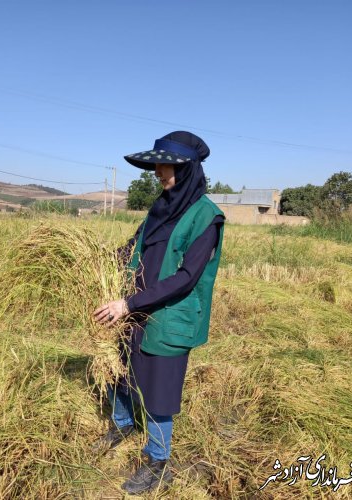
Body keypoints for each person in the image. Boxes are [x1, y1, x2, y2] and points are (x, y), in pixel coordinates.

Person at [93, 131, 225, 495]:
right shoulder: (159, 207)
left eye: (164, 166)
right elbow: (133, 248)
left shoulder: (206, 218)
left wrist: (129, 304)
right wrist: (96, 262)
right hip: (134, 308)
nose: (158, 173)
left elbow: (185, 279)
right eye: (156, 166)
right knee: (120, 369)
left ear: (187, 170)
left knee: (159, 390)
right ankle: (122, 425)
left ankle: (158, 461)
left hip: (168, 315)